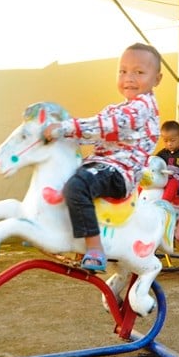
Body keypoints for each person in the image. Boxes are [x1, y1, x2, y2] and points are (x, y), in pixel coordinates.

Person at [43, 42, 163, 272]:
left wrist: (64, 128)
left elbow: (104, 127)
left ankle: (95, 249)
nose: (129, 77)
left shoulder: (141, 108)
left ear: (157, 79)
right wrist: (63, 138)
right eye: (123, 71)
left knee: (76, 187)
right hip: (102, 165)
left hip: (119, 172)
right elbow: (90, 134)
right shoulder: (118, 108)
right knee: (60, 179)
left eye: (139, 72)